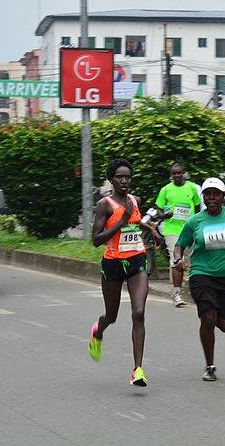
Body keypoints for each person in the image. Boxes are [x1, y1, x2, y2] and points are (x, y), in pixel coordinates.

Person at [88, 158, 161, 387]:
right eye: (119, 177)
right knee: (112, 316)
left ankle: (137, 370)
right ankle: (98, 331)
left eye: (127, 177)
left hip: (136, 261)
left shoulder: (134, 201)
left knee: (138, 313)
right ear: (111, 180)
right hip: (113, 265)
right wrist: (119, 220)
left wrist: (151, 229)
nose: (123, 180)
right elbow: (96, 240)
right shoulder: (105, 205)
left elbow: (135, 222)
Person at [173, 178, 225, 381]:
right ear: (203, 197)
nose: (212, 198)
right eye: (208, 194)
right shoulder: (194, 221)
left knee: (224, 325)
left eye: (216, 194)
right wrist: (178, 259)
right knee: (207, 318)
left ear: (223, 197)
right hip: (202, 274)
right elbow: (180, 245)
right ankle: (210, 366)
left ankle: (216, 316)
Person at [155, 162, 201, 307]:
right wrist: (165, 216)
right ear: (171, 175)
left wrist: (197, 224)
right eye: (174, 173)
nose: (176, 176)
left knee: (188, 261)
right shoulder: (165, 190)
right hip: (172, 230)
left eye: (179, 173)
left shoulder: (192, 188)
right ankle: (176, 294)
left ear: (183, 173)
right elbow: (159, 210)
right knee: (176, 260)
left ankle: (190, 291)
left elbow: (198, 206)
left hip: (189, 230)